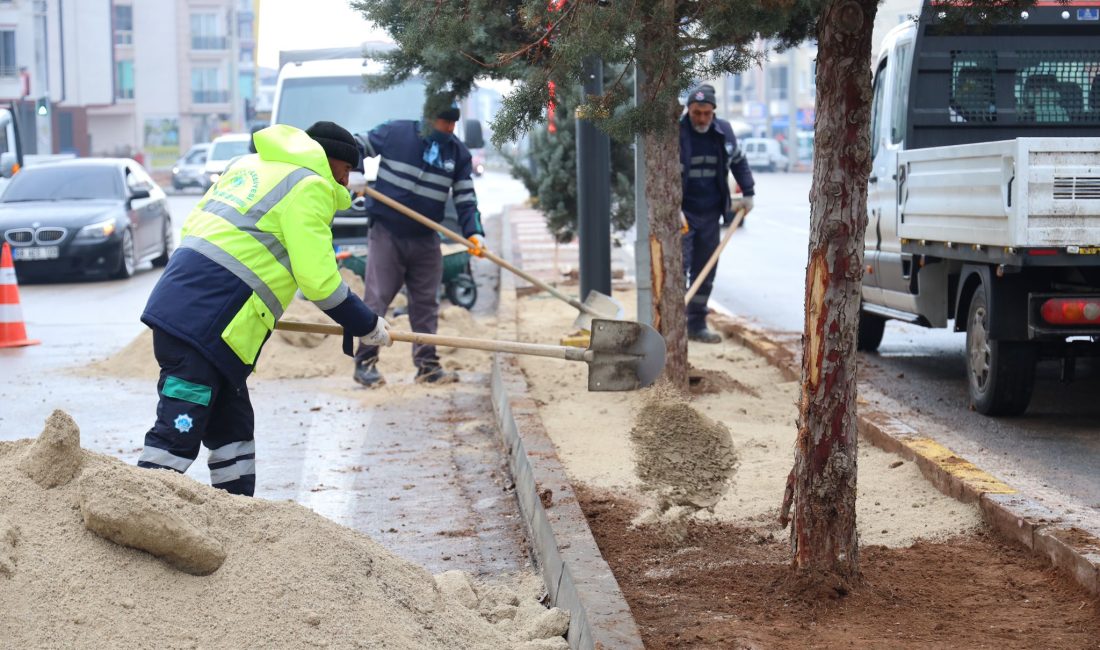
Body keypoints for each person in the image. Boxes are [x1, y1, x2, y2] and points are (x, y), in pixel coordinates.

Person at [137, 121, 392, 496]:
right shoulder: (311, 186)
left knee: (233, 430)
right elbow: (319, 281)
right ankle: (135, 506)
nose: (347, 180)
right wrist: (366, 324)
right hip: (206, 327)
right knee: (179, 429)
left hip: (186, 309)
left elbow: (198, 227)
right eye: (347, 170)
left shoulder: (248, 166)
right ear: (334, 162)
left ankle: (238, 517)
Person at [351, 100, 485, 387]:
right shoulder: (395, 133)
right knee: (377, 298)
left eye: (452, 124)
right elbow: (356, 144)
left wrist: (475, 233)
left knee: (426, 303)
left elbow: (465, 197)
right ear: (427, 118)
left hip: (426, 237)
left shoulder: (457, 153)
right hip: (387, 232)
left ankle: (427, 366)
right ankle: (365, 363)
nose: (447, 129)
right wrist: (356, 175)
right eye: (442, 123)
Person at [680, 83, 756, 344]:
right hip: (683, 214)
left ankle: (696, 324)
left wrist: (748, 192)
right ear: (688, 110)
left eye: (706, 113)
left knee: (706, 269)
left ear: (713, 111)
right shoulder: (677, 133)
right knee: (678, 267)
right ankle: (671, 325)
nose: (701, 118)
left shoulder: (723, 131)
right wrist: (674, 209)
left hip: (711, 212)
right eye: (696, 113)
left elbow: (738, 162)